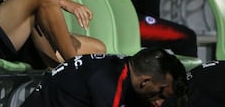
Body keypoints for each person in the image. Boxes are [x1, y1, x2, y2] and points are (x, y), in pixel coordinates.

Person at [21, 47, 188, 107]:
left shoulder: (123, 68)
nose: (159, 103)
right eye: (160, 95)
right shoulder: (108, 83)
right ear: (145, 81)